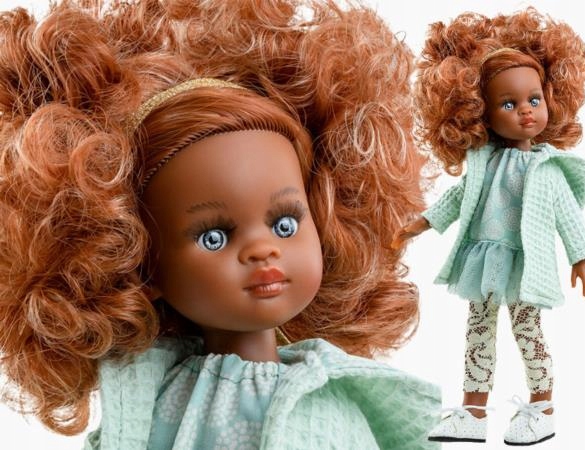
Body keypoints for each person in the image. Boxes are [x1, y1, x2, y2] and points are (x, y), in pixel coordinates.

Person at [0, 0, 440, 448]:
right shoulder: (147, 402)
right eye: (214, 237)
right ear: (140, 265)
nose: (263, 250)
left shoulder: (337, 394)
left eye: (285, 225)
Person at [392, 8, 585, 446]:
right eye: (509, 104)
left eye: (534, 100)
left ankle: (543, 407)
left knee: (528, 333)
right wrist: (420, 224)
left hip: (525, 263)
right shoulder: (484, 162)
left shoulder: (547, 168)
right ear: (480, 114)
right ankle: (473, 411)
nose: (525, 112)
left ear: (551, 99)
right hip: (484, 260)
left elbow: (567, 214)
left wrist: (582, 258)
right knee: (478, 333)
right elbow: (458, 198)